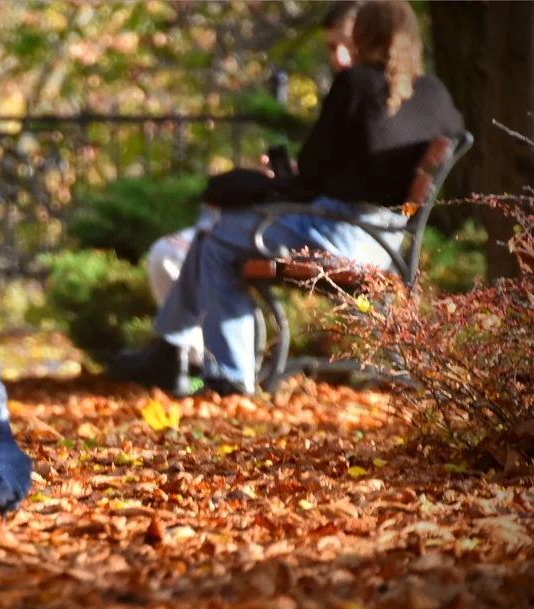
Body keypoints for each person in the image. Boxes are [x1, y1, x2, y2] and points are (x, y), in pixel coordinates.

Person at [114, 0, 465, 397]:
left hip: (338, 234)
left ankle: (216, 369)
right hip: (388, 243)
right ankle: (176, 350)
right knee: (218, 236)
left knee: (215, 239)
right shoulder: (434, 93)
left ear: (363, 36)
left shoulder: (356, 84)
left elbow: (312, 172)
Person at [142, 0, 364, 368]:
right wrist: (290, 178)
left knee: (206, 243)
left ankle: (195, 358)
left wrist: (289, 184)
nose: (339, 58)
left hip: (339, 236)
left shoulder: (361, 94)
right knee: (204, 229)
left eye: (347, 46)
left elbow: (334, 182)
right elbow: (332, 176)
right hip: (338, 226)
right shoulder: (362, 94)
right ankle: (185, 354)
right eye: (330, 47)